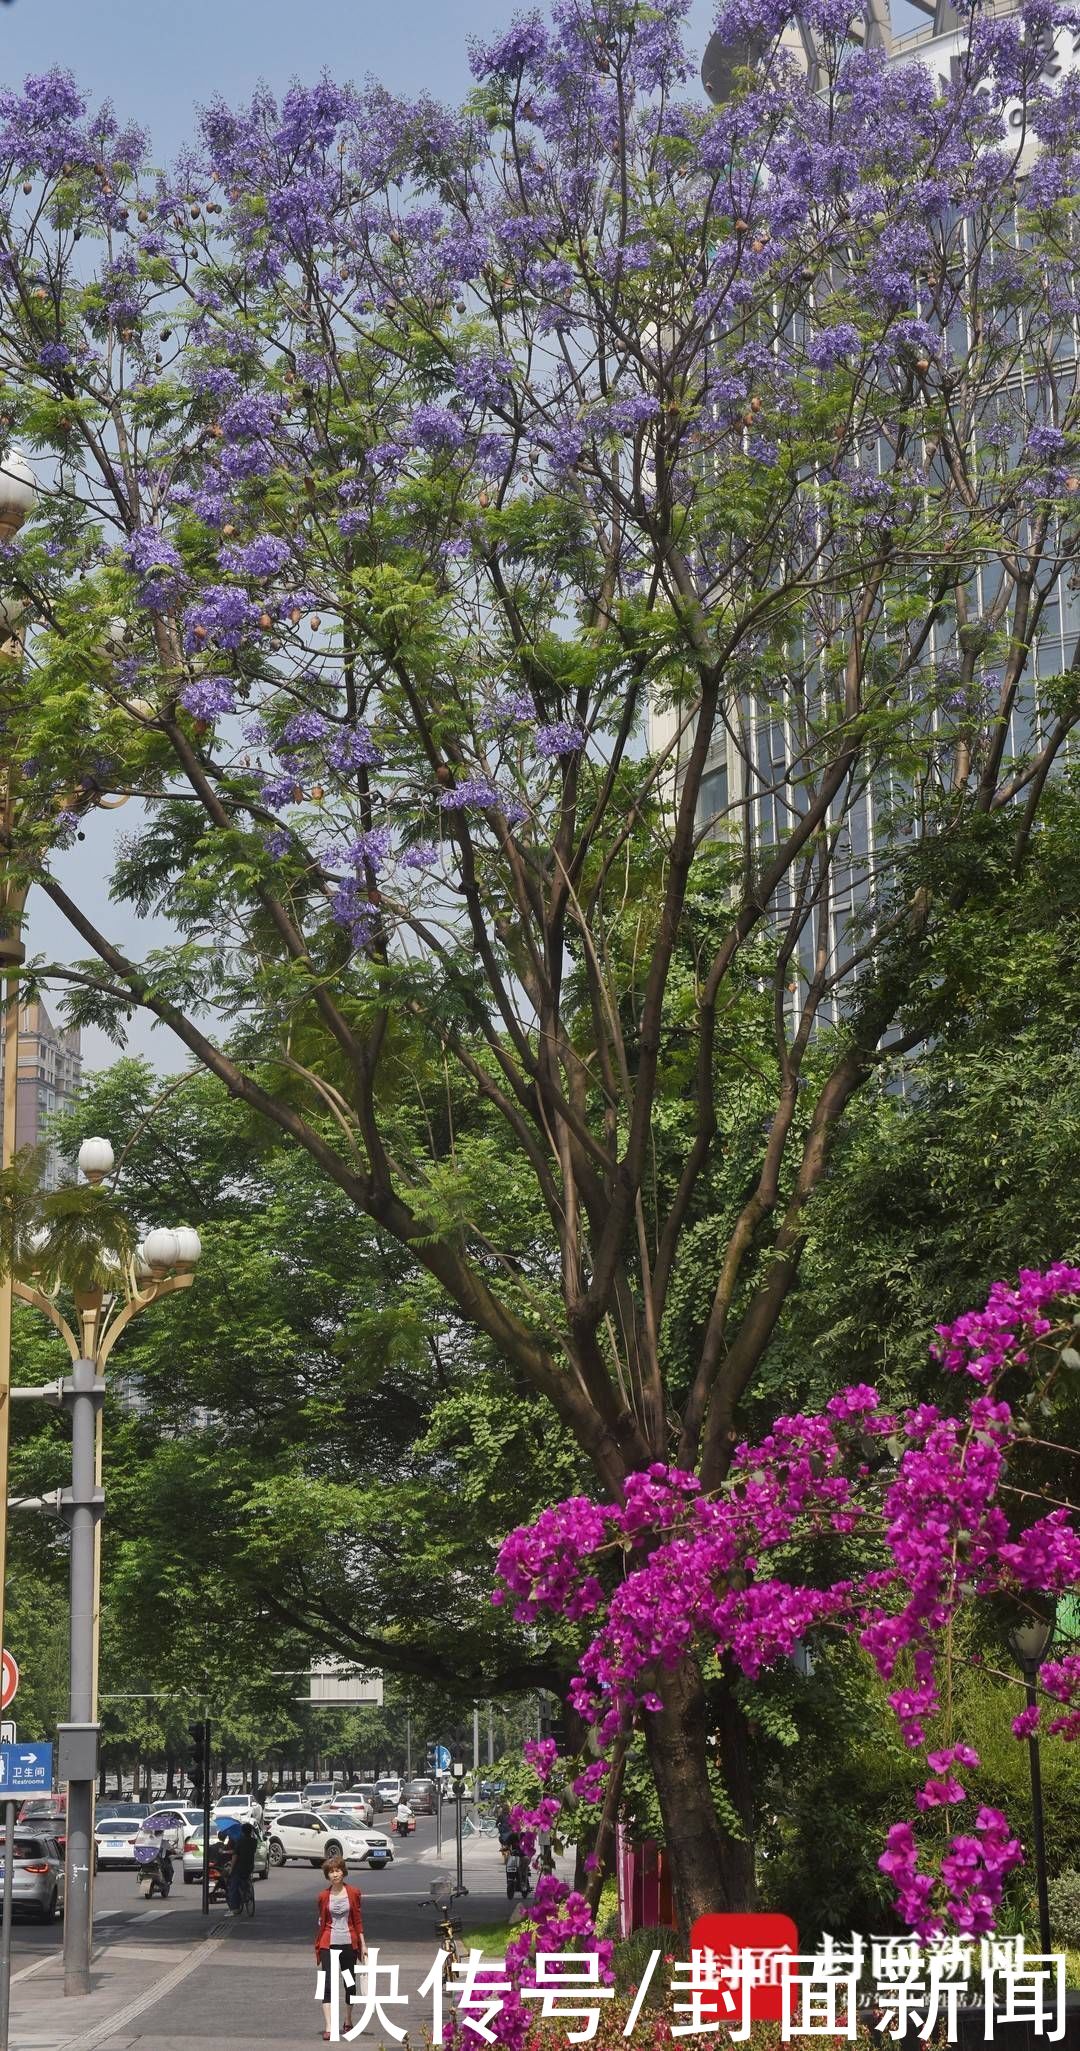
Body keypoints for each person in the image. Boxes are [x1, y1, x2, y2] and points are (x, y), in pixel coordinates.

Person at [314, 1855, 366, 2041]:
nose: (335, 1874)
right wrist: (319, 1943)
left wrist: (363, 1943)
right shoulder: (322, 1896)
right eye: (331, 1872)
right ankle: (329, 2025)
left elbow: (357, 1919)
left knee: (349, 1983)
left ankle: (348, 2019)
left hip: (348, 1942)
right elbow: (322, 1921)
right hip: (328, 1943)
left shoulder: (353, 1893)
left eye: (337, 1870)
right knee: (327, 1983)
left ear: (343, 1872)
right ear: (327, 1875)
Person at [227, 1822, 258, 1912]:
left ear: (242, 1831)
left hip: (239, 1867)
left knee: (234, 1886)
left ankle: (235, 1907)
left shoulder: (240, 1841)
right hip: (250, 1866)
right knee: (246, 1878)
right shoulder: (254, 1841)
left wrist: (231, 1870)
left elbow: (235, 1856)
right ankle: (247, 1891)